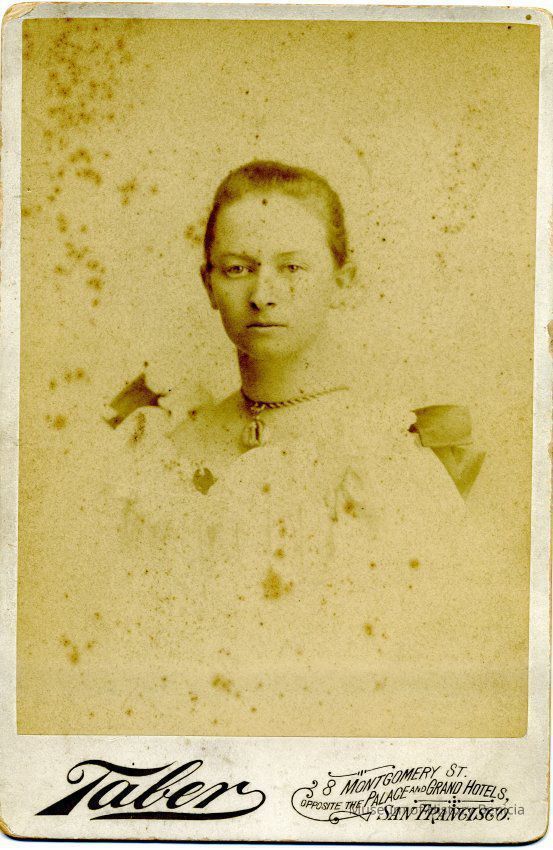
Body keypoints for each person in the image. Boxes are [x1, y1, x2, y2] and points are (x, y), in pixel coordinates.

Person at [110, 161, 510, 737]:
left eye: (292, 267)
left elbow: (414, 670)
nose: (263, 295)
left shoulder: (382, 459)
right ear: (208, 284)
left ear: (343, 281)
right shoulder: (163, 448)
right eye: (238, 269)